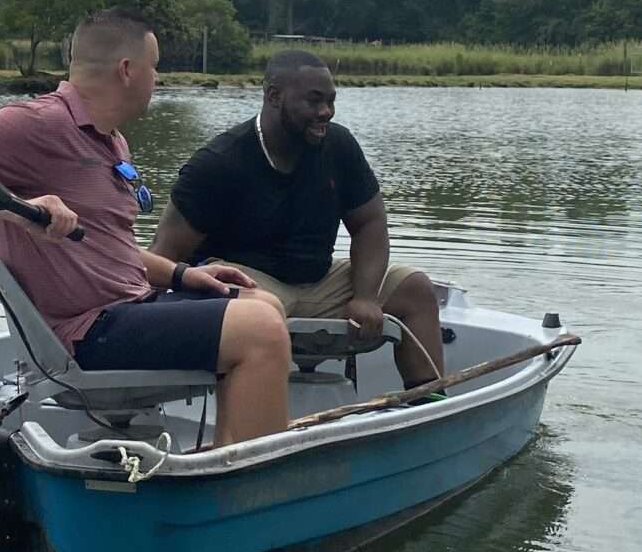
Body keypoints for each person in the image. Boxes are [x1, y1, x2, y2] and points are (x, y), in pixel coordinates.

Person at [0, 9, 295, 447]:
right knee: (260, 331)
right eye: (155, 68)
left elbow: (106, 246)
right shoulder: (41, 122)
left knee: (264, 303)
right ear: (128, 70)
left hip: (131, 307)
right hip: (87, 332)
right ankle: (250, 483)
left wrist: (183, 274)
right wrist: (23, 209)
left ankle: (226, 459)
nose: (158, 79)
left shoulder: (111, 140)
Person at [151, 48, 447, 389]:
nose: (326, 113)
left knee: (416, 290)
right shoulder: (219, 163)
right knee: (264, 308)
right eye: (314, 101)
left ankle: (427, 408)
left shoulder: (339, 146)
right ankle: (257, 424)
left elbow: (370, 222)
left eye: (331, 102)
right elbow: (164, 255)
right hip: (247, 282)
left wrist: (365, 296)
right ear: (274, 96)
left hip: (317, 282)